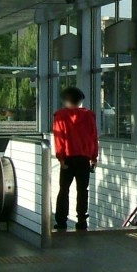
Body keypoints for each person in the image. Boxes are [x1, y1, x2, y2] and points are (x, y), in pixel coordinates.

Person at [52, 86, 99, 231]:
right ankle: (81, 220)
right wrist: (94, 157)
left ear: (65, 100)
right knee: (83, 190)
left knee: (64, 190)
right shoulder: (89, 115)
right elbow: (93, 137)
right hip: (84, 158)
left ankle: (61, 221)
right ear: (80, 101)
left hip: (67, 158)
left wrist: (61, 158)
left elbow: (59, 138)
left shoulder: (60, 116)